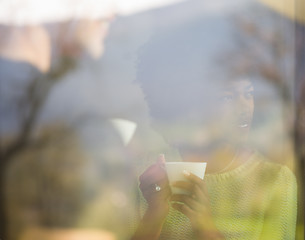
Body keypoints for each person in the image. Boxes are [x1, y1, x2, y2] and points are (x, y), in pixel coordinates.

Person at [131, 22, 297, 240]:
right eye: (227, 96)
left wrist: (206, 227)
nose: (244, 106)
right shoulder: (152, 176)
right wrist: (155, 213)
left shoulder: (275, 180)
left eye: (249, 93)